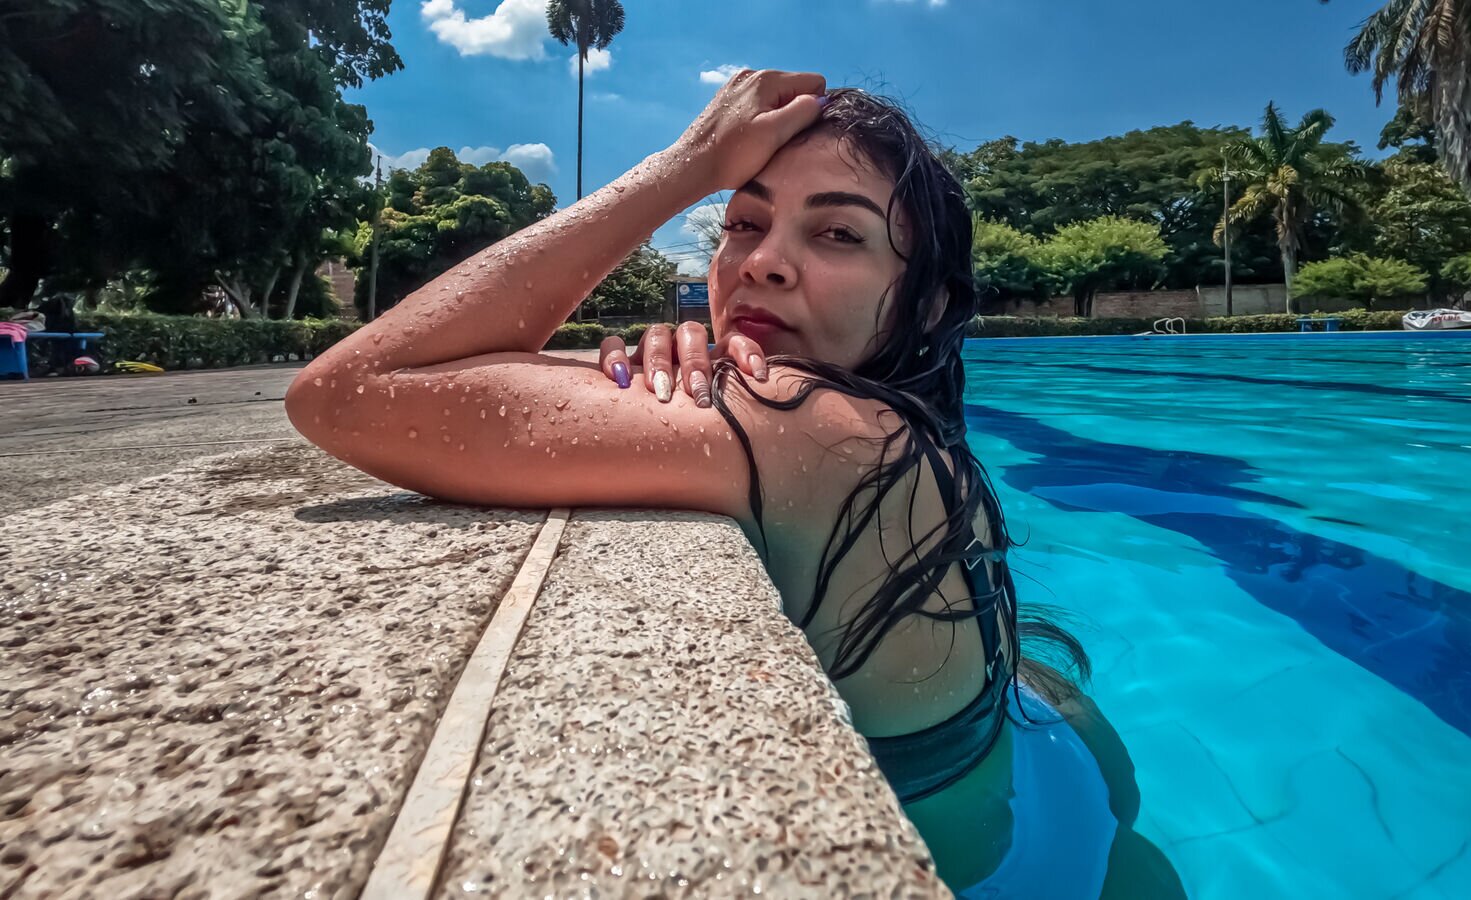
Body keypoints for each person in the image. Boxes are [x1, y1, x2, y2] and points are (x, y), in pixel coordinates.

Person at [288, 70, 1180, 898]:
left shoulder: (824, 432)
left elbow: (347, 392)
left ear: (931, 302)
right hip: (1049, 752)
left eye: (838, 233)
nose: (762, 263)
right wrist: (640, 372)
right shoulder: (901, 429)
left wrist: (685, 166)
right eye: (744, 222)